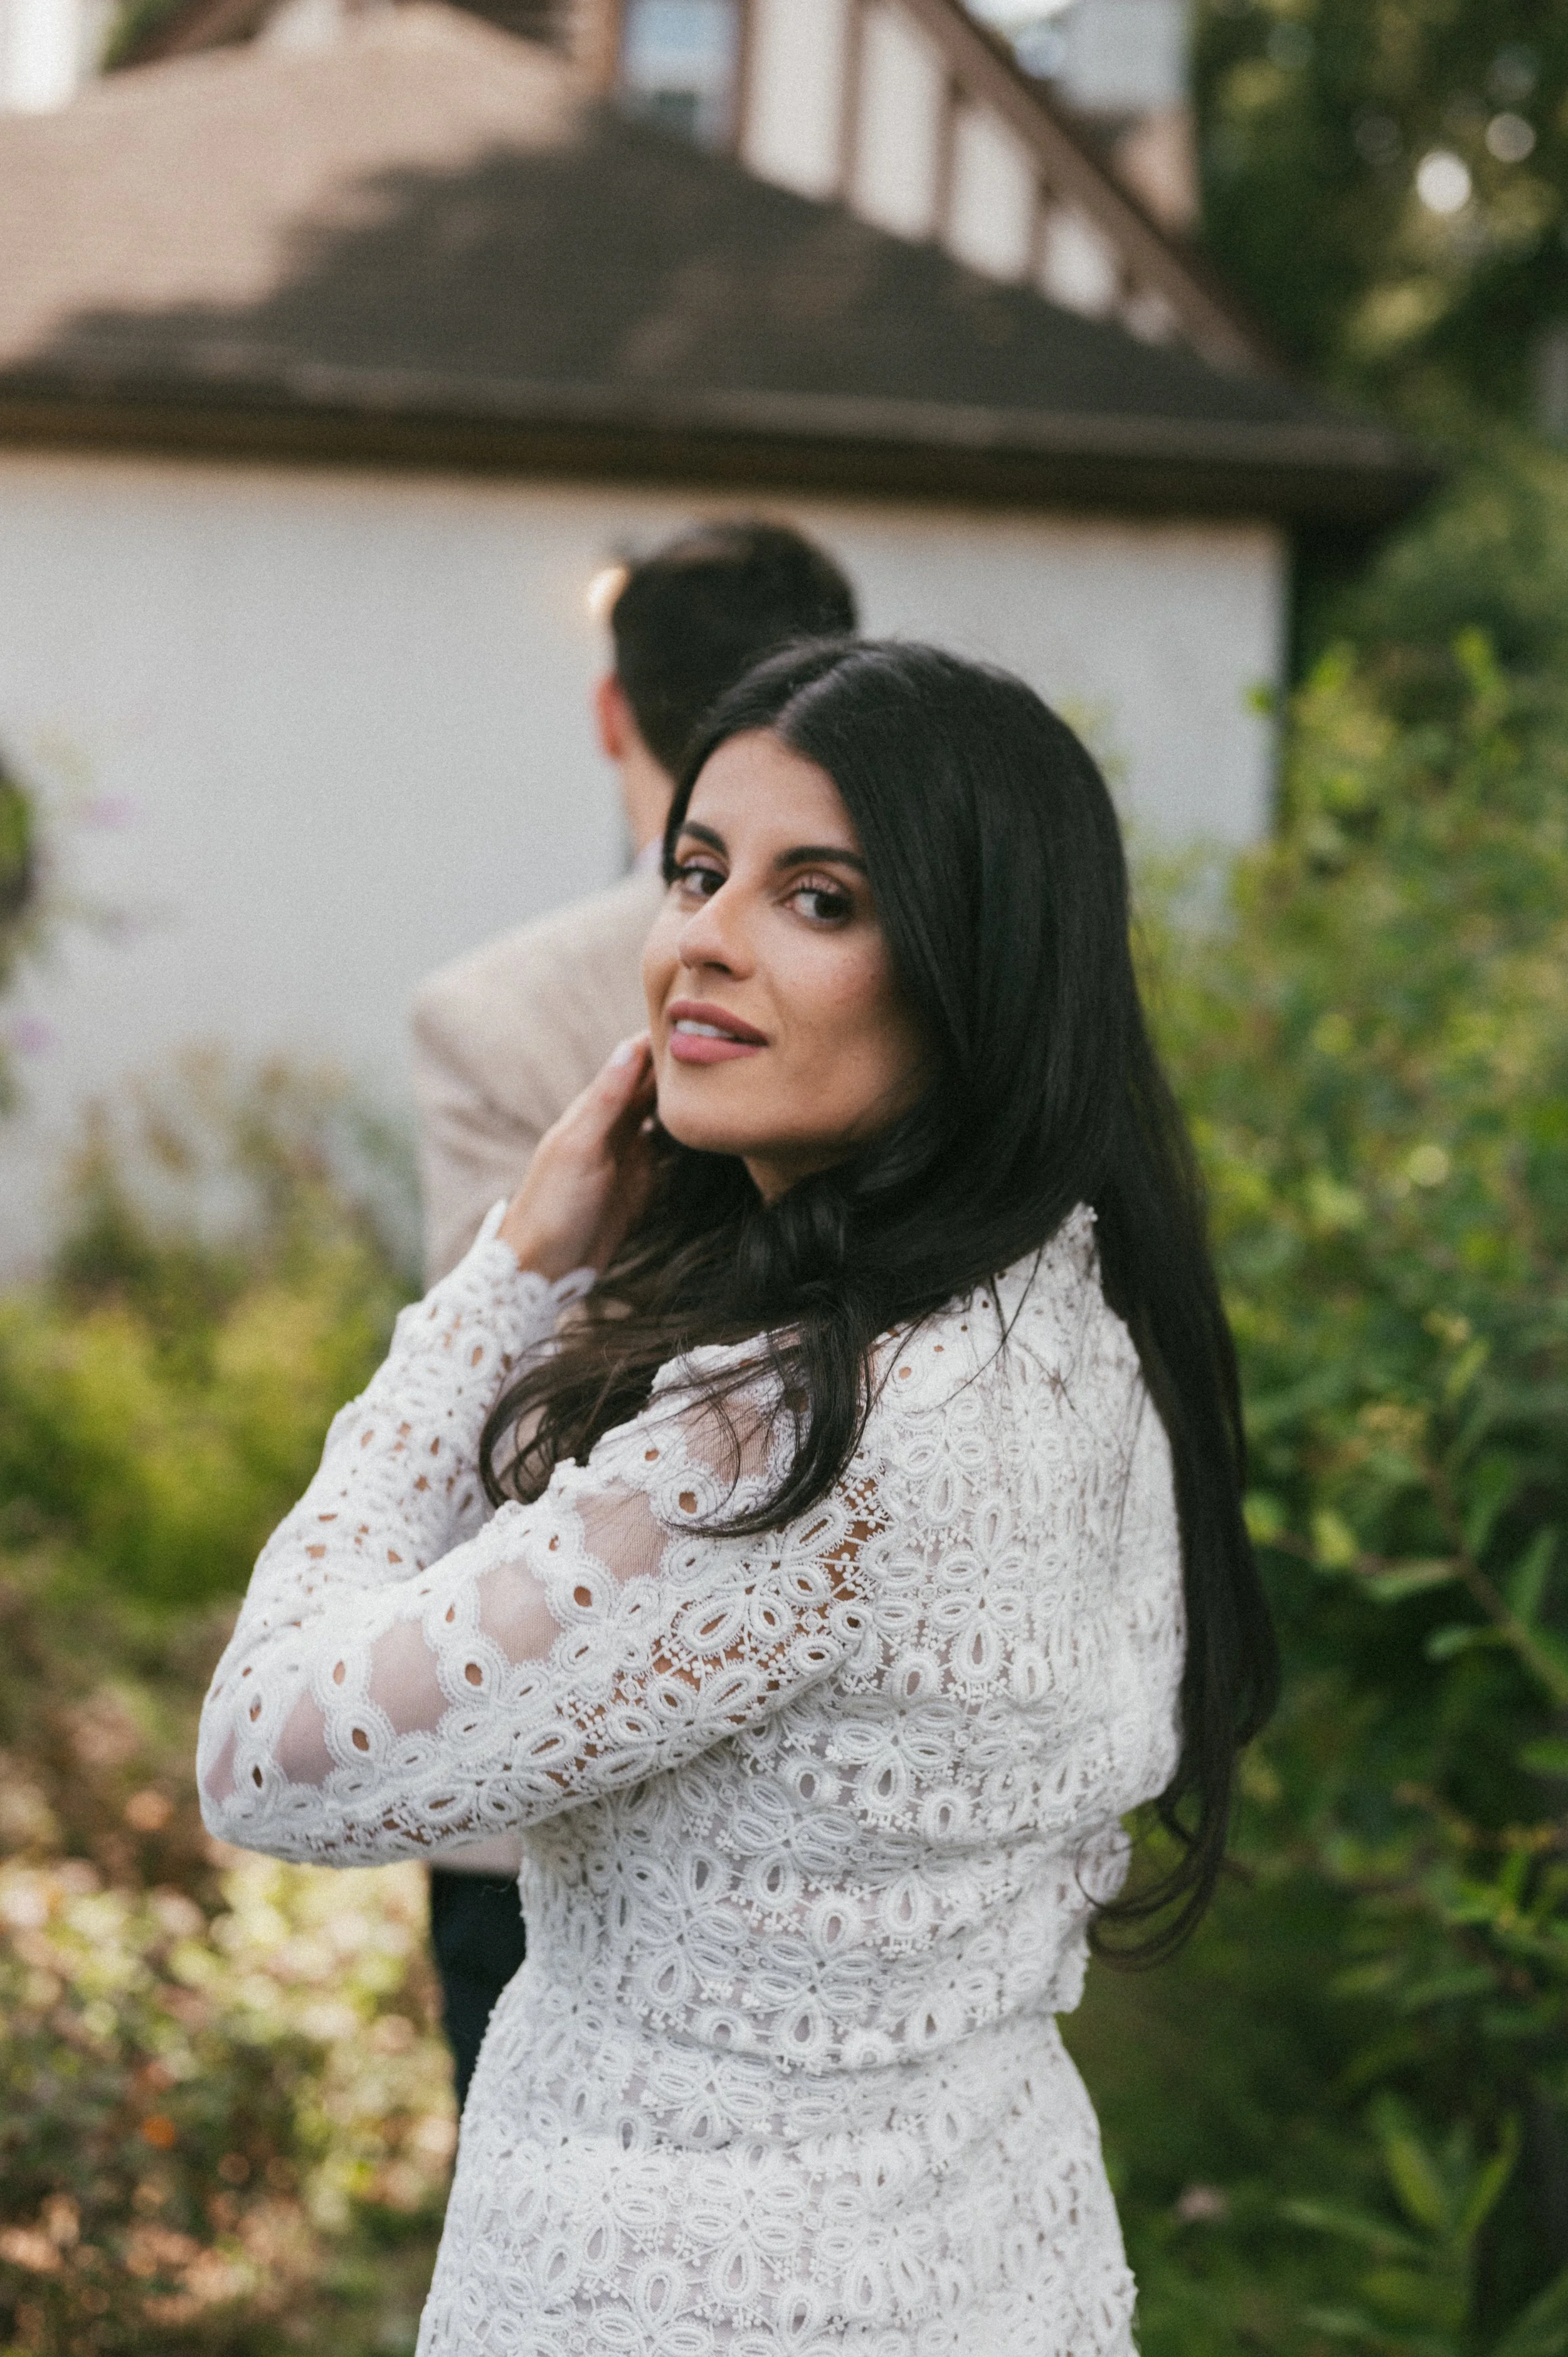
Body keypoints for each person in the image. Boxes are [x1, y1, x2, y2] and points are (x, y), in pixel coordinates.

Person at [199, 641, 1279, 2354]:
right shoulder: (1070, 1323)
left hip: (680, 2295)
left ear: (978, 970)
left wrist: (505, 1277)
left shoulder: (792, 1446)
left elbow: (268, 1754)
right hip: (986, 2264)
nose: (703, 935)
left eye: (818, 898)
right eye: (695, 870)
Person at [409, 519, 858, 2096]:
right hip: (840, 1774)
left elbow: (499, 1423)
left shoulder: (493, 1012)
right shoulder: (922, 970)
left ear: (613, 711)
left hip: (549, 1754)